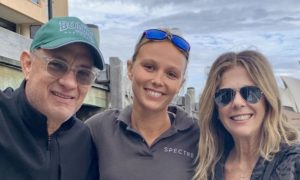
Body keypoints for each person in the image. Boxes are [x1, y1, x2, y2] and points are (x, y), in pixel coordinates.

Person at [86, 28, 199, 180]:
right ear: (131, 68)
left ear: (180, 84)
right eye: (149, 67)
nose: (158, 81)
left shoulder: (199, 136)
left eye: (171, 74)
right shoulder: (99, 129)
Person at [0, 16, 104, 180]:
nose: (69, 83)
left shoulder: (84, 140)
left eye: (84, 74)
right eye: (56, 65)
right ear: (28, 64)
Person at [194, 50, 300, 180]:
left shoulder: (293, 163)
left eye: (250, 93)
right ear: (215, 109)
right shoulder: (207, 167)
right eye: (225, 95)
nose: (238, 103)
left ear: (268, 100)